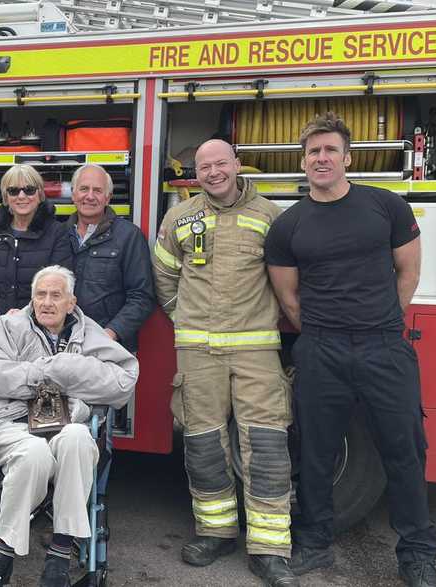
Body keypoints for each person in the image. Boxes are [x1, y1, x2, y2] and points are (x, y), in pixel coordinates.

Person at [264, 113, 436, 587]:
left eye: (329, 150)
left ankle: (418, 555)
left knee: (405, 452)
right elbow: (289, 297)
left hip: (385, 347)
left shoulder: (386, 207)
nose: (321, 158)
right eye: (313, 152)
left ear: (347, 157)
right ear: (304, 162)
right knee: (318, 453)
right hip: (321, 350)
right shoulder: (289, 225)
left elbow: (409, 272)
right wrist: (326, 333)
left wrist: (381, 322)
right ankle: (315, 542)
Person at [153, 139, 296, 586]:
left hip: (256, 349)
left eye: (220, 163)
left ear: (237, 164)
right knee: (204, 443)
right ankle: (215, 532)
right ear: (194, 173)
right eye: (203, 166)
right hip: (198, 352)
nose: (213, 172)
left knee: (267, 445)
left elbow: (287, 280)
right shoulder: (180, 217)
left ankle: (270, 548)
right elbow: (164, 276)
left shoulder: (270, 216)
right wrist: (186, 319)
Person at [0, 265, 138, 587]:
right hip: (14, 423)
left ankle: (59, 556)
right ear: (31, 298)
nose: (46, 302)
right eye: (40, 295)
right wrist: (43, 374)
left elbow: (123, 381)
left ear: (71, 302)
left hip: (68, 422)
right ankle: (4, 553)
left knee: (77, 438)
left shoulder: (90, 334)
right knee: (34, 453)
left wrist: (68, 367)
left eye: (56, 295)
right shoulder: (7, 328)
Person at [0, 163, 74, 334]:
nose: (22, 196)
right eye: (13, 191)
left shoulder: (57, 233)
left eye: (29, 190)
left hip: (41, 333)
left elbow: (59, 290)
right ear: (6, 196)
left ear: (40, 194)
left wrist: (30, 328)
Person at [67, 164, 155, 352]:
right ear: (73, 194)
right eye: (83, 189)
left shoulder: (129, 236)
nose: (89, 196)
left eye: (97, 190)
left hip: (111, 347)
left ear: (108, 197)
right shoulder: (58, 235)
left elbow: (142, 296)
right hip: (63, 344)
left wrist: (110, 333)